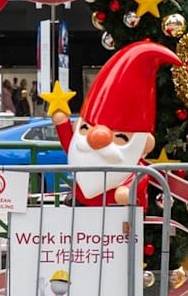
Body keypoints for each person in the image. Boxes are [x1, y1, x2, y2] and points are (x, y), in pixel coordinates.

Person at [52, 40, 180, 206]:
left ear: (145, 144)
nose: (96, 139)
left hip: (118, 214)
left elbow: (137, 183)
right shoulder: (80, 146)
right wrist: (61, 122)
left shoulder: (137, 170)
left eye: (120, 137)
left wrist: (126, 191)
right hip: (81, 206)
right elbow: (68, 140)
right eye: (85, 128)